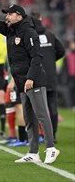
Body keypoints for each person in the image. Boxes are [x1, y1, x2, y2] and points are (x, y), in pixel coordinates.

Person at [0, 0, 60, 164]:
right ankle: (33, 152)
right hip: (21, 82)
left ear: (19, 16)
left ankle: (51, 148)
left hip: (33, 80)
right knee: (29, 118)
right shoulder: (11, 30)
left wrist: (30, 77)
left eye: (10, 14)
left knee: (41, 115)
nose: (7, 16)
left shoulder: (29, 32)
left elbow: (37, 57)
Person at [31, 11, 65, 143]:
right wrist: (51, 60)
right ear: (41, 19)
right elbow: (61, 51)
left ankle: (39, 135)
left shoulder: (29, 36)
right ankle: (53, 136)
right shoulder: (50, 35)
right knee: (52, 106)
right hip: (50, 76)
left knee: (36, 107)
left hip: (36, 75)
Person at [0, 62, 29, 146]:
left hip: (18, 81)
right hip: (20, 80)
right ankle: (21, 137)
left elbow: (18, 65)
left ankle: (23, 139)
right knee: (14, 108)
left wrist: (12, 81)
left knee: (20, 108)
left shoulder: (16, 49)